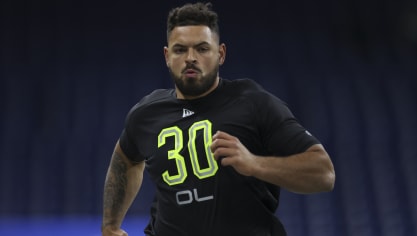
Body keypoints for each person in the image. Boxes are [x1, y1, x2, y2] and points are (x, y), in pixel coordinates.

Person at [101, 2, 335, 236]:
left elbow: (323, 173)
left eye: (202, 49)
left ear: (221, 53)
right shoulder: (146, 114)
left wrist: (254, 163)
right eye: (180, 49)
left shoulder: (252, 102)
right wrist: (111, 226)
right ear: (167, 56)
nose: (190, 58)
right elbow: (126, 160)